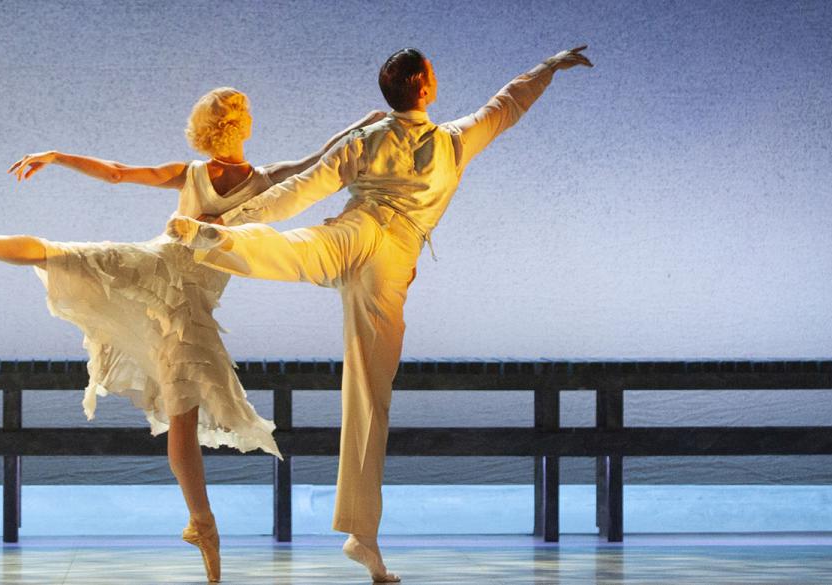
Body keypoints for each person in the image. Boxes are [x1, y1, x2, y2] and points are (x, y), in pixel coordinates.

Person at [0, 87, 385, 583]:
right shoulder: (266, 180)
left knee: (63, 253)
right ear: (245, 127)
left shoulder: (191, 173)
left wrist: (57, 156)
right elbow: (320, 158)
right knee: (181, 419)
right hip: (188, 304)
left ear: (204, 129)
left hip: (152, 265)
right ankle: (204, 527)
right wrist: (363, 126)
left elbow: (116, 172)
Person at [167, 47, 593, 582]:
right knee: (370, 391)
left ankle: (218, 240)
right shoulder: (455, 142)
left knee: (300, 249)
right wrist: (549, 67)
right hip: (389, 256)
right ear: (425, 88)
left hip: (358, 231)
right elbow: (507, 104)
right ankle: (361, 535)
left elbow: (298, 192)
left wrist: (231, 218)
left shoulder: (366, 141)